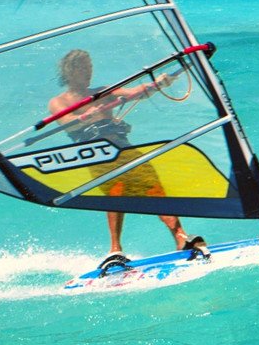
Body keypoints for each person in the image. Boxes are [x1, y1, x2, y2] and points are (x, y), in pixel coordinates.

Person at [50, 48, 205, 272]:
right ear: (71, 71)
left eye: (90, 67)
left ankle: (181, 237)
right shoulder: (59, 101)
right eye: (84, 67)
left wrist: (160, 82)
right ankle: (115, 249)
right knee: (116, 193)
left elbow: (136, 92)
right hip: (97, 152)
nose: (89, 72)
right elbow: (68, 121)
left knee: (155, 187)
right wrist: (90, 113)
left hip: (123, 147)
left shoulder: (103, 91)